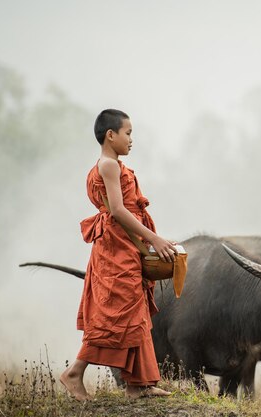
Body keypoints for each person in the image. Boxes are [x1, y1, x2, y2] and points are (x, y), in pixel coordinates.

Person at [60, 109, 177, 400]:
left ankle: (137, 385)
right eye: (128, 133)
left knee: (134, 311)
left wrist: (146, 241)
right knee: (115, 314)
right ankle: (74, 372)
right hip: (116, 248)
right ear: (110, 135)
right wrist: (153, 238)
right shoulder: (109, 166)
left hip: (124, 244)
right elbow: (118, 210)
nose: (131, 139)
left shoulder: (112, 164)